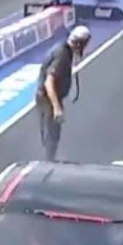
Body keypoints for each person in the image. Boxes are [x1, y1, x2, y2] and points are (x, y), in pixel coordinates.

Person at [34, 25, 92, 162]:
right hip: (47, 97)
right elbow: (49, 82)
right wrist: (57, 107)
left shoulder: (64, 50)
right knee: (52, 132)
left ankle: (50, 158)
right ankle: (48, 161)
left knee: (52, 131)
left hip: (48, 96)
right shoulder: (62, 56)